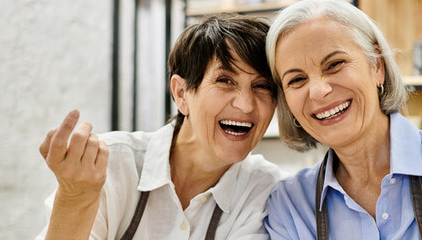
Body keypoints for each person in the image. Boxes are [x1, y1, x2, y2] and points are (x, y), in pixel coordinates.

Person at [263, 0, 422, 239]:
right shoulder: (290, 206)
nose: (319, 91)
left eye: (335, 64)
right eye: (296, 80)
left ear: (377, 66)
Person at [35, 14, 284, 240]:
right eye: (225, 80)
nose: (246, 104)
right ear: (181, 94)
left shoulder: (265, 189)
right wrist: (75, 198)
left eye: (262, 86)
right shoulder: (111, 164)